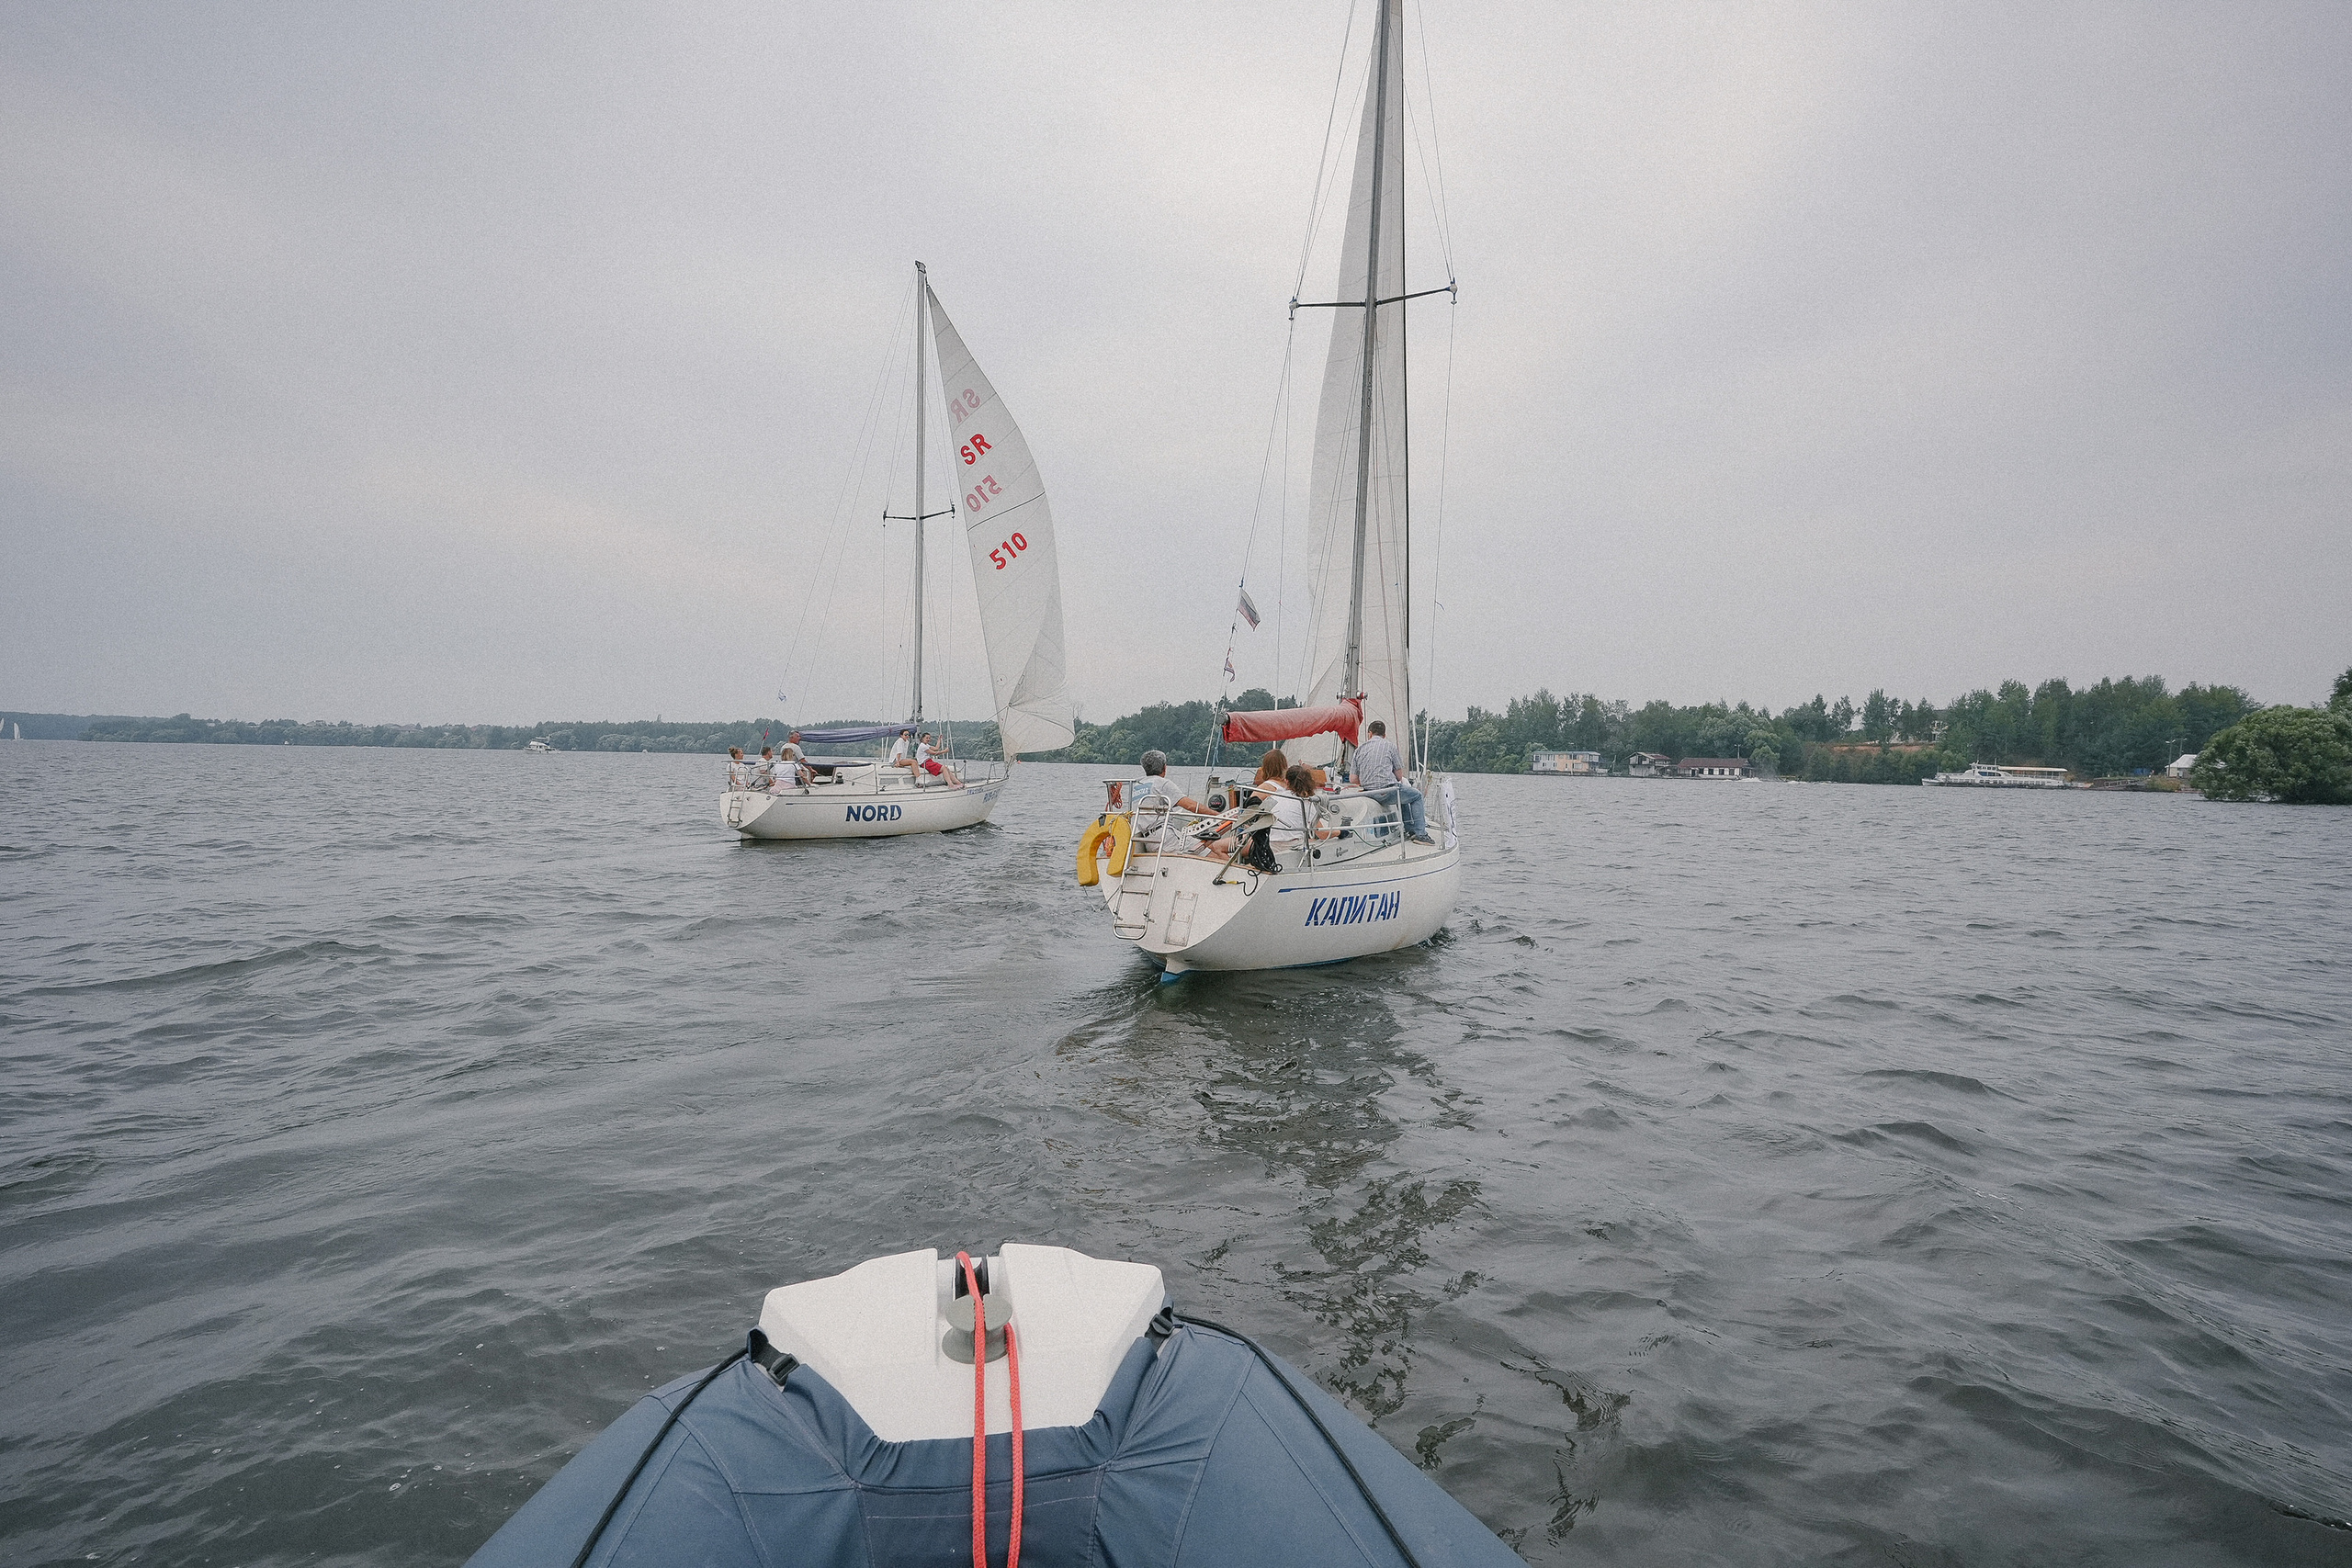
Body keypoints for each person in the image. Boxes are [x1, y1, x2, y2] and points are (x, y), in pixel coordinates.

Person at [1350, 719, 1432, 844]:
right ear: (1384, 735)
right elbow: (1399, 777)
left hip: (1369, 793)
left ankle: (1410, 830)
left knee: (1403, 796)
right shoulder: (1390, 746)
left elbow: (1353, 779)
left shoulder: (1359, 750)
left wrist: (1368, 779)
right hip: (1387, 792)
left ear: (1370, 734)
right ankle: (1421, 834)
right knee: (1416, 796)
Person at [1267, 762, 1340, 856]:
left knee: (1309, 839)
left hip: (1270, 846)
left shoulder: (1273, 797)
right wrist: (1340, 832)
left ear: (1286, 781)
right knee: (1315, 841)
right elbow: (1323, 834)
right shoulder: (1306, 803)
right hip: (1290, 849)